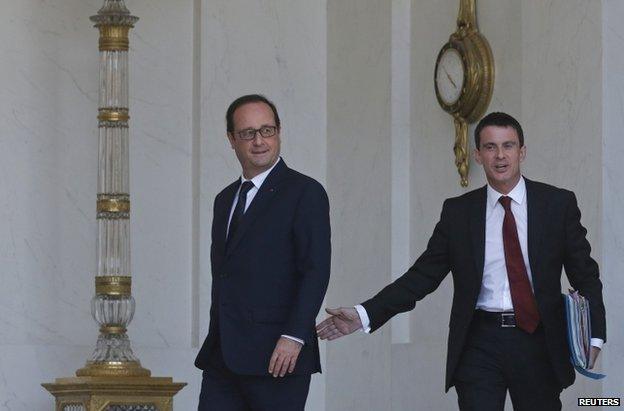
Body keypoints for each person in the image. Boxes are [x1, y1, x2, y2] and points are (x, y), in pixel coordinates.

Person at [316, 112, 605, 410]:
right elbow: (422, 276)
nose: (500, 155)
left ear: (522, 151)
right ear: (478, 155)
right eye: (490, 147)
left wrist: (594, 337)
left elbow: (585, 275)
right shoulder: (459, 213)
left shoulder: (557, 204)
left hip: (538, 341)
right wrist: (365, 314)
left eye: (508, 145)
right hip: (479, 341)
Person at [195, 94, 331, 410]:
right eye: (248, 133)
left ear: (278, 132)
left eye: (267, 131)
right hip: (223, 356)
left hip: (278, 356)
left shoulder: (304, 192)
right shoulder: (224, 199)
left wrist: (294, 336)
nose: (259, 141)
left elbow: (316, 269)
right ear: (231, 139)